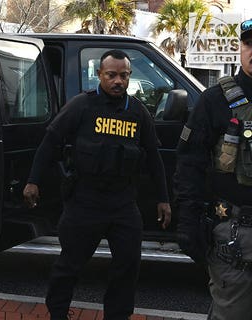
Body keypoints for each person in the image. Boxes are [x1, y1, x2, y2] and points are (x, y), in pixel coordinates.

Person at [23, 49, 171, 320]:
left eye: (124, 76)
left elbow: (154, 158)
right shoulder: (82, 105)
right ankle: (57, 312)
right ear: (99, 75)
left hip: (123, 203)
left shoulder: (138, 112)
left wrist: (164, 198)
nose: (118, 81)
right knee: (69, 265)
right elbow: (49, 142)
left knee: (127, 267)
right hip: (85, 201)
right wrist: (33, 181)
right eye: (111, 75)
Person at [175, 18, 252, 320]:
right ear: (240, 48)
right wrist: (188, 222)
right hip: (234, 235)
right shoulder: (215, 100)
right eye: (248, 44)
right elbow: (189, 164)